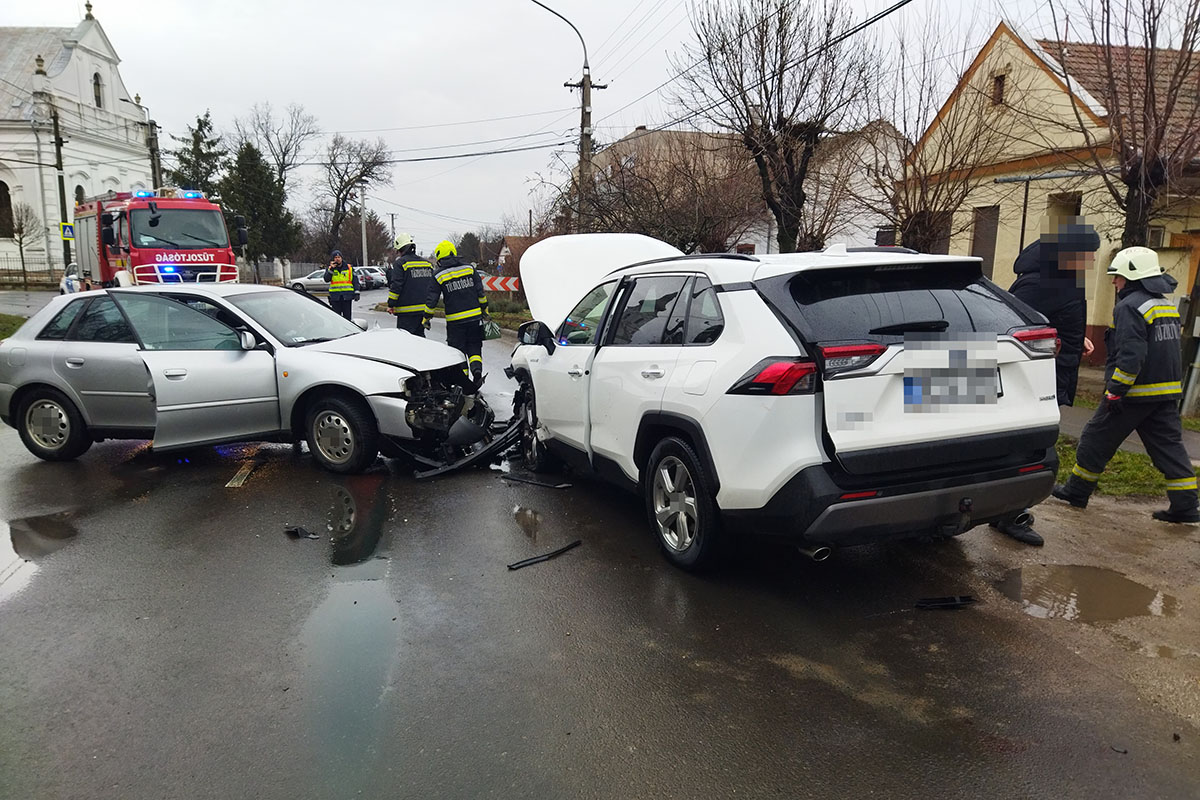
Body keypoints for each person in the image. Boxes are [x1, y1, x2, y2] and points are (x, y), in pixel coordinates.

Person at [1052, 246, 1199, 523]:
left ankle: (1077, 491)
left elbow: (1132, 354)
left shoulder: (1129, 306)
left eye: (1117, 277)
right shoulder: (1164, 305)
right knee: (1170, 449)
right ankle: (1186, 506)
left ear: (1132, 277)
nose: (1113, 282)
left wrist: (1116, 392)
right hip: (1165, 394)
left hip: (1133, 394)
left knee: (1095, 438)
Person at [990, 218, 1101, 546]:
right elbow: (1010, 328)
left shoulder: (1061, 278)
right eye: (1087, 254)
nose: (1092, 261)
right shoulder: (1040, 282)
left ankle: (1009, 511)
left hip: (1054, 373)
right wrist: (1051, 344)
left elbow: (1051, 319)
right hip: (1036, 380)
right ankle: (1011, 515)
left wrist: (1074, 337)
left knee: (1033, 446)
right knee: (1029, 448)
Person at [426, 239, 488, 382]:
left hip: (455, 322)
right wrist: (485, 310)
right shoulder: (469, 269)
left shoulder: (438, 275)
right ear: (454, 253)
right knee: (474, 347)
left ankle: (463, 381)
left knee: (457, 352)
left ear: (440, 258)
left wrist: (426, 318)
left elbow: (432, 300)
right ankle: (477, 371)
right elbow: (481, 293)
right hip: (474, 318)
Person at [387, 233, 435, 336]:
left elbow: (396, 286)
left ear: (400, 249)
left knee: (406, 343)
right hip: (423, 311)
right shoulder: (427, 264)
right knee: (420, 340)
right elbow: (432, 287)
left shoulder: (401, 264)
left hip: (406, 313)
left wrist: (391, 304)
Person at [323, 249, 360, 321]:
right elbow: (326, 279)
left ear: (341, 258)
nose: (337, 259)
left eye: (339, 257)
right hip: (335, 297)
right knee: (336, 319)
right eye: (335, 258)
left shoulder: (349, 268)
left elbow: (355, 280)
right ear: (333, 259)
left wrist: (357, 292)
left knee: (347, 318)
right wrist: (331, 270)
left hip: (347, 297)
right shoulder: (330, 269)